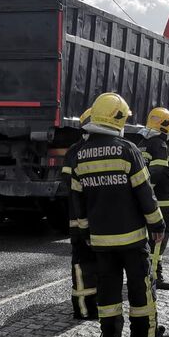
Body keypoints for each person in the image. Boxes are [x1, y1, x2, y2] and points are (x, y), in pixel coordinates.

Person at [68, 93, 169, 337]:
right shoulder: (127, 150)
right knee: (141, 286)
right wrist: (157, 225)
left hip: (100, 240)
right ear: (116, 119)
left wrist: (83, 233)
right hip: (133, 238)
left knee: (108, 288)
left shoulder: (81, 155)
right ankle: (144, 335)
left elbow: (77, 202)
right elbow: (145, 193)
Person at [63, 108, 97, 320]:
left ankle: (84, 307)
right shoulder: (98, 149)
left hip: (77, 218)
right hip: (95, 220)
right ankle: (87, 308)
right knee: (93, 263)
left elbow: (67, 182)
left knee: (81, 264)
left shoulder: (74, 150)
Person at [140, 107, 169, 291]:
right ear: (164, 127)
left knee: (151, 239)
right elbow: (157, 171)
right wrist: (151, 192)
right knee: (158, 240)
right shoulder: (160, 145)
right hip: (162, 202)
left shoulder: (143, 142)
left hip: (152, 201)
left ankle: (149, 271)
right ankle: (154, 274)